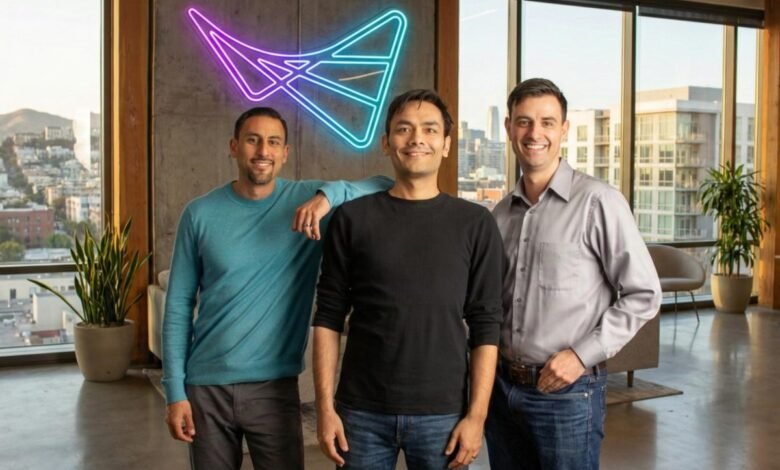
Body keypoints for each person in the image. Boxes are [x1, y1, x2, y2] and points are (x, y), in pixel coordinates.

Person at [162, 106, 392, 470]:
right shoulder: (199, 213)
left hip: (274, 387)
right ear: (234, 147)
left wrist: (327, 196)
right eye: (252, 140)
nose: (262, 151)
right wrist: (175, 392)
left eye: (273, 142)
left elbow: (384, 184)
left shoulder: (307, 202)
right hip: (206, 388)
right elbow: (177, 306)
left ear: (285, 153)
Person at [312, 89, 505, 470]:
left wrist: (477, 416)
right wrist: (324, 408)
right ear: (386, 143)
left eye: (430, 129)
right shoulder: (352, 219)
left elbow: (487, 325)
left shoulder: (475, 224)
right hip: (360, 413)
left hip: (443, 414)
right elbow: (328, 317)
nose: (417, 138)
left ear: (446, 145)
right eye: (404, 129)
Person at [484, 77, 662, 470]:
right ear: (509, 128)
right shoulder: (500, 214)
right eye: (524, 121)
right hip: (501, 390)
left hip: (567, 393)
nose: (535, 133)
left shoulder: (599, 201)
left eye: (547, 122)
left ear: (564, 129)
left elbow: (644, 293)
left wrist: (581, 356)